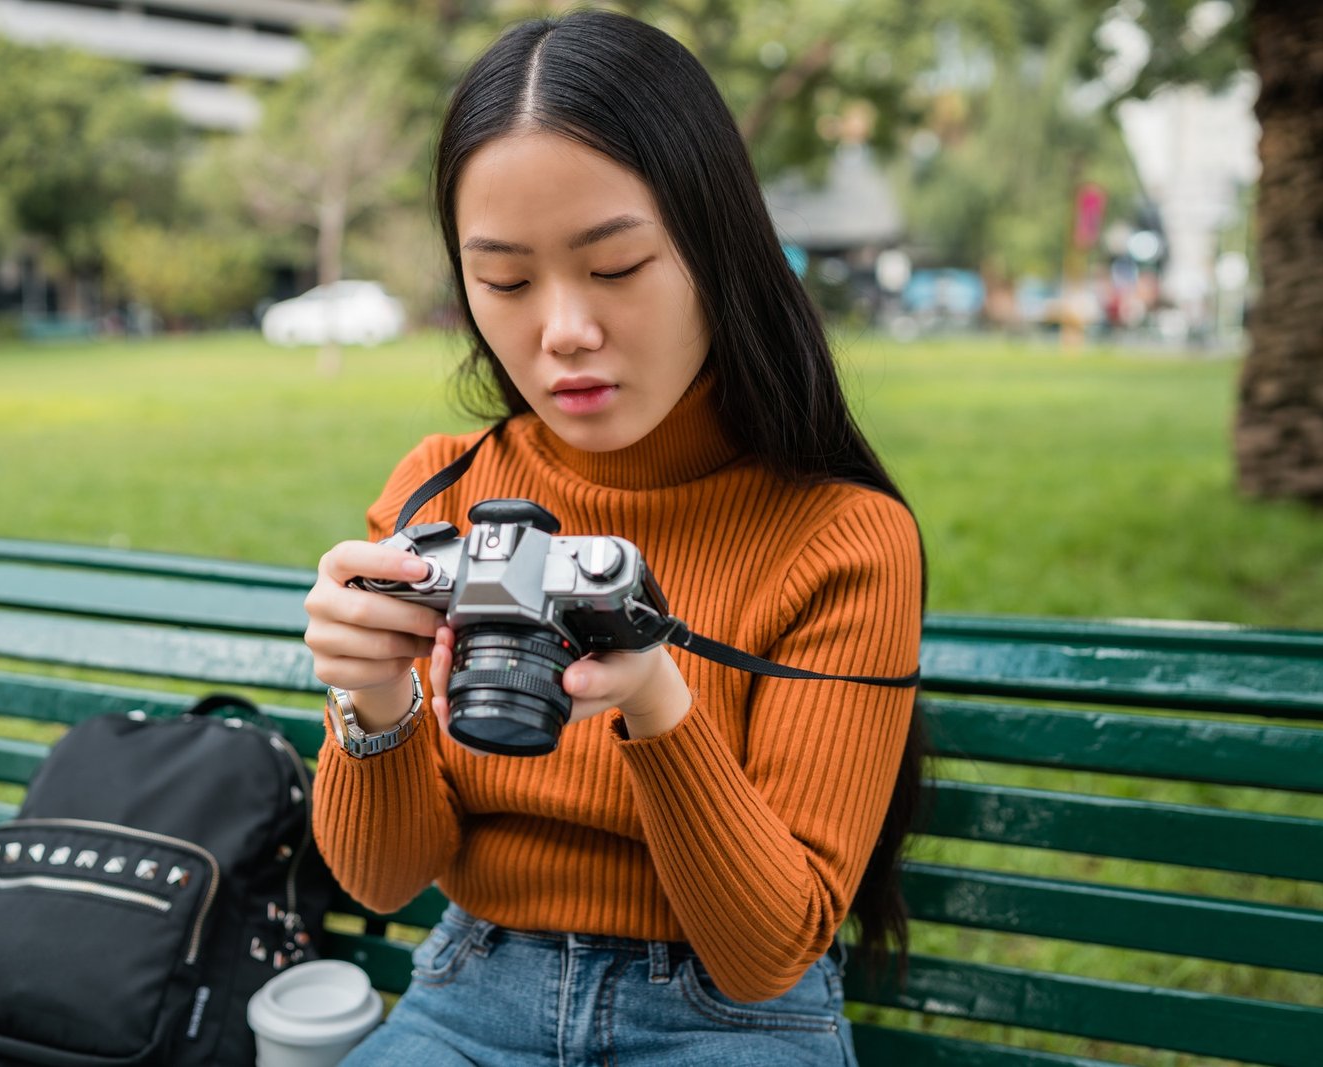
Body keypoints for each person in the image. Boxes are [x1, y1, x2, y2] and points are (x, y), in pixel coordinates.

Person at [303, 11, 925, 1065]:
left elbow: (765, 951)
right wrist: (373, 702)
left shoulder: (843, 539)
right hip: (471, 990)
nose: (563, 331)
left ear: (716, 251)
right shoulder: (441, 495)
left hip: (730, 1017)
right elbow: (384, 878)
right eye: (506, 282)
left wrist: (654, 700)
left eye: (618, 266)